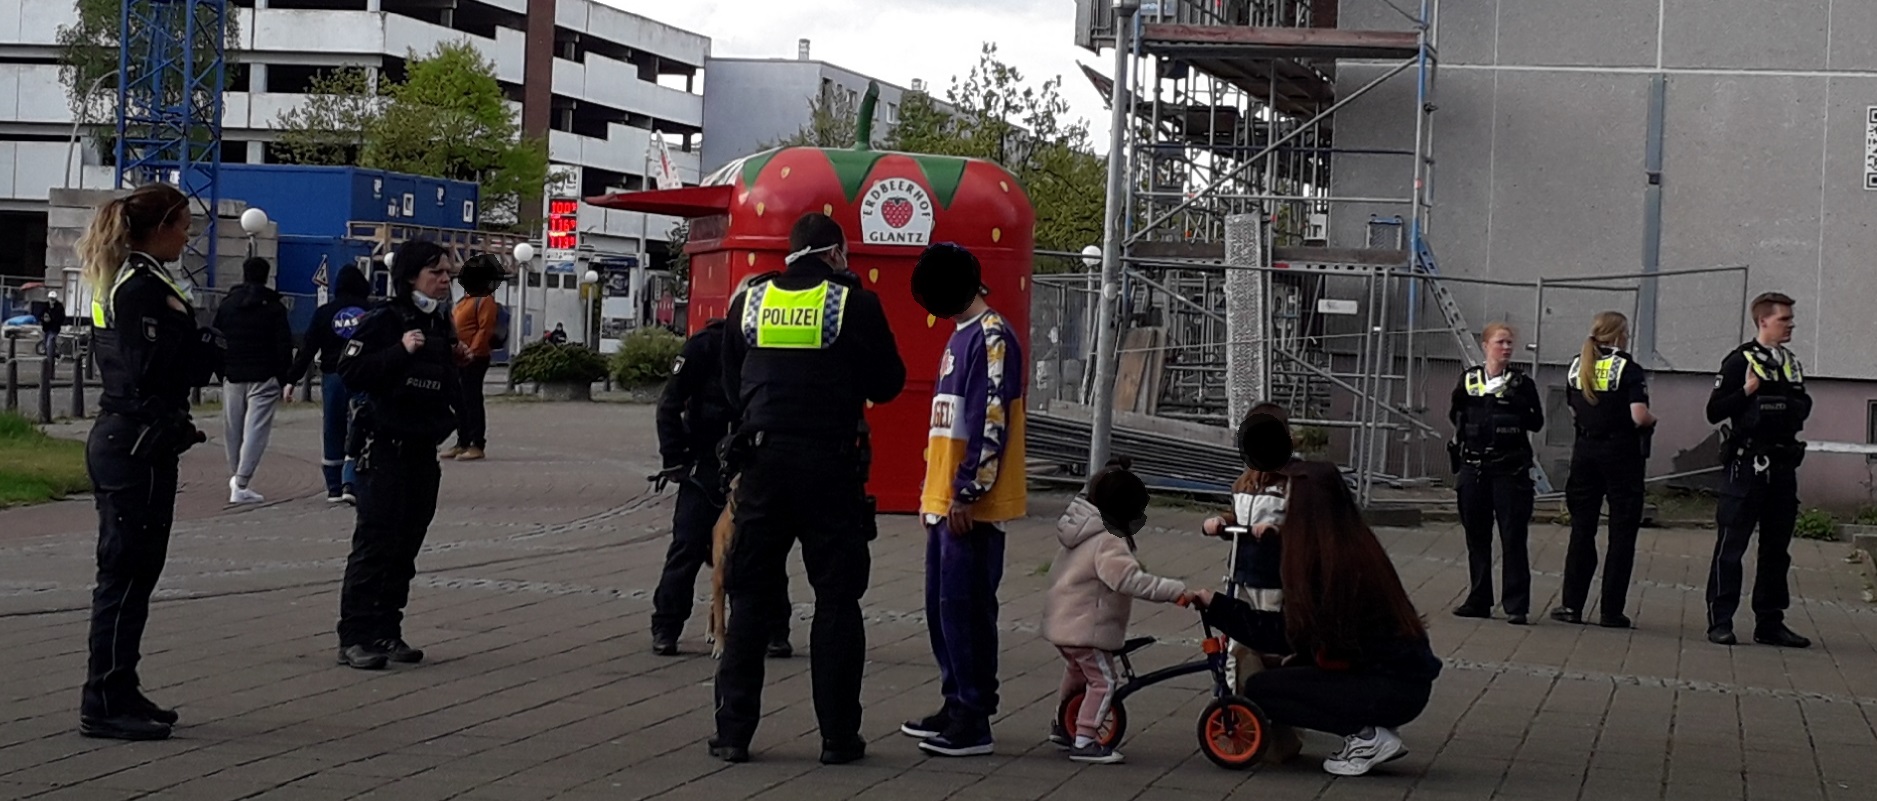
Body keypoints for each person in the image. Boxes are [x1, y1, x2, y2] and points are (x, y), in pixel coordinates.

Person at [710, 212, 906, 765]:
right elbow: (888, 383)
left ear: (791, 253)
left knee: (749, 596)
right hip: (830, 466)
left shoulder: (748, 302)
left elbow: (731, 383)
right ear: (836, 254)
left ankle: (732, 735)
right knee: (838, 600)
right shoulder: (852, 303)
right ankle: (838, 738)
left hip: (763, 464)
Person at [74, 183, 223, 740]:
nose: (188, 236)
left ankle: (120, 684)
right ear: (161, 226)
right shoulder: (139, 287)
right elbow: (151, 366)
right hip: (134, 440)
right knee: (125, 571)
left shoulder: (133, 279)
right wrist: (205, 351)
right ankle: (103, 699)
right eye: (184, 225)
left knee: (137, 571)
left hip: (137, 439)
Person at [1190, 459, 1443, 777]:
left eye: (1286, 502)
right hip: (1400, 678)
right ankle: (1366, 728)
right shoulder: (1348, 543)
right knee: (1284, 670)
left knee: (1262, 688)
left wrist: (1219, 607)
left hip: (1390, 687)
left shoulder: (1329, 566)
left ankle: (1367, 737)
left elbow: (1285, 633)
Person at [900, 243, 1028, 758]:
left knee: (967, 608)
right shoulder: (959, 335)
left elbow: (988, 418)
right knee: (944, 608)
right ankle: (956, 702)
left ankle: (973, 717)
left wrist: (967, 492)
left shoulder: (992, 337)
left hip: (969, 508)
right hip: (944, 503)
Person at [334, 240, 464, 670]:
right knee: (375, 543)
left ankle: (387, 630)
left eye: (447, 273)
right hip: (383, 451)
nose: (445, 280)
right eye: (436, 273)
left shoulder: (442, 324)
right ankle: (355, 636)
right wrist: (398, 351)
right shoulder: (384, 321)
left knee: (406, 546)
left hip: (423, 450)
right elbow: (349, 369)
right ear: (411, 277)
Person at [651, 275, 792, 658]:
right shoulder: (704, 347)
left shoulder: (771, 348)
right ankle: (666, 626)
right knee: (688, 545)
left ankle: (776, 630)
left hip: (753, 464)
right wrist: (675, 460)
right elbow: (669, 404)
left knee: (765, 547)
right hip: (704, 463)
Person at [1042, 457, 1189, 765]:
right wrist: (1177, 592)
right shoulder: (1108, 540)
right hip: (1085, 628)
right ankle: (1084, 739)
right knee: (1104, 680)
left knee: (1077, 672)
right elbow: (1128, 580)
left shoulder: (1081, 530)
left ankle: (1063, 723)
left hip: (1064, 623)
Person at [1704, 293, 1812, 648]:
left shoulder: (1789, 363)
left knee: (1777, 550)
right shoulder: (1739, 362)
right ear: (1764, 321)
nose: (1791, 324)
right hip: (1747, 466)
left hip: (1781, 466)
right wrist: (1749, 390)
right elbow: (1715, 410)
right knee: (1732, 545)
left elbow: (1802, 405)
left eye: (1791, 319)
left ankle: (1770, 622)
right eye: (1785, 319)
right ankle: (1720, 621)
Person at [1551, 312, 1655, 628]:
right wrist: (1652, 421)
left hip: (1585, 452)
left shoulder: (1576, 365)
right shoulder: (1628, 369)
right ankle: (1611, 610)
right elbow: (1638, 415)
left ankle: (1572, 605)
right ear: (1621, 334)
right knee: (1622, 533)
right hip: (1621, 455)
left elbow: (1573, 408)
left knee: (1582, 530)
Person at [1449, 323, 1545, 625]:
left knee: (1512, 537)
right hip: (1474, 467)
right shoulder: (1469, 380)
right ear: (1485, 344)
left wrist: (1512, 408)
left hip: (1509, 470)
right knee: (1476, 537)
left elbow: (1537, 422)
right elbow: (1455, 414)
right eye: (1500, 342)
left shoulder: (1520, 384)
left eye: (1509, 343)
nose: (1506, 348)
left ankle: (1516, 604)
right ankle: (1478, 598)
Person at [286, 264, 373, 504]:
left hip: (332, 375)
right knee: (360, 426)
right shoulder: (371, 311)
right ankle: (352, 481)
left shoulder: (325, 312)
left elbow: (308, 347)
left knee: (333, 428)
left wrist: (292, 379)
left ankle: (333, 485)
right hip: (363, 375)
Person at [213, 256, 294, 504]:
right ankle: (241, 482)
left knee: (233, 430)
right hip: (264, 376)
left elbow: (216, 339)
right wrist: (285, 379)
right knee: (255, 431)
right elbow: (283, 345)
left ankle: (235, 474)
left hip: (233, 375)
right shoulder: (274, 307)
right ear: (266, 275)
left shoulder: (227, 305)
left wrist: (221, 370)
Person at [446, 254, 504, 461]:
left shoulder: (485, 300)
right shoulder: (465, 300)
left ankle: (476, 443)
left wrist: (473, 350)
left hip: (475, 357)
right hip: (460, 355)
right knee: (459, 400)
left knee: (471, 399)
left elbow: (484, 329)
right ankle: (462, 441)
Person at [42, 290, 65, 360]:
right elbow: (40, 314)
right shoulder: (45, 306)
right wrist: (43, 319)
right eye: (50, 299)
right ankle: (56, 354)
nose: (52, 301)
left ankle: (50, 359)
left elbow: (61, 318)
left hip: (54, 328)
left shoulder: (59, 307)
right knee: (46, 344)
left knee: (50, 343)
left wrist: (51, 318)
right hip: (46, 328)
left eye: (53, 299)